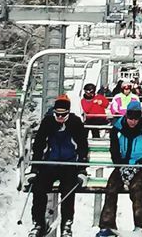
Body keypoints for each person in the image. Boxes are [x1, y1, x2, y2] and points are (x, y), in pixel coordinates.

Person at [28, 95, 90, 237]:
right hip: (50, 163)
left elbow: (82, 146)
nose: (60, 117)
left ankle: (67, 224)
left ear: (68, 113)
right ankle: (38, 223)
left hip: (69, 164)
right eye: (58, 114)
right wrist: (34, 169)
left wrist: (82, 169)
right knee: (39, 187)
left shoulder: (75, 122)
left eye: (63, 114)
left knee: (68, 188)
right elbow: (39, 145)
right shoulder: (48, 122)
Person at [96, 99, 142, 237]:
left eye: (136, 119)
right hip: (122, 164)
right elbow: (114, 149)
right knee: (112, 187)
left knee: (137, 187)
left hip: (141, 166)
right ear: (126, 116)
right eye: (130, 118)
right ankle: (107, 224)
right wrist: (120, 164)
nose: (133, 122)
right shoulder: (117, 129)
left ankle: (141, 225)